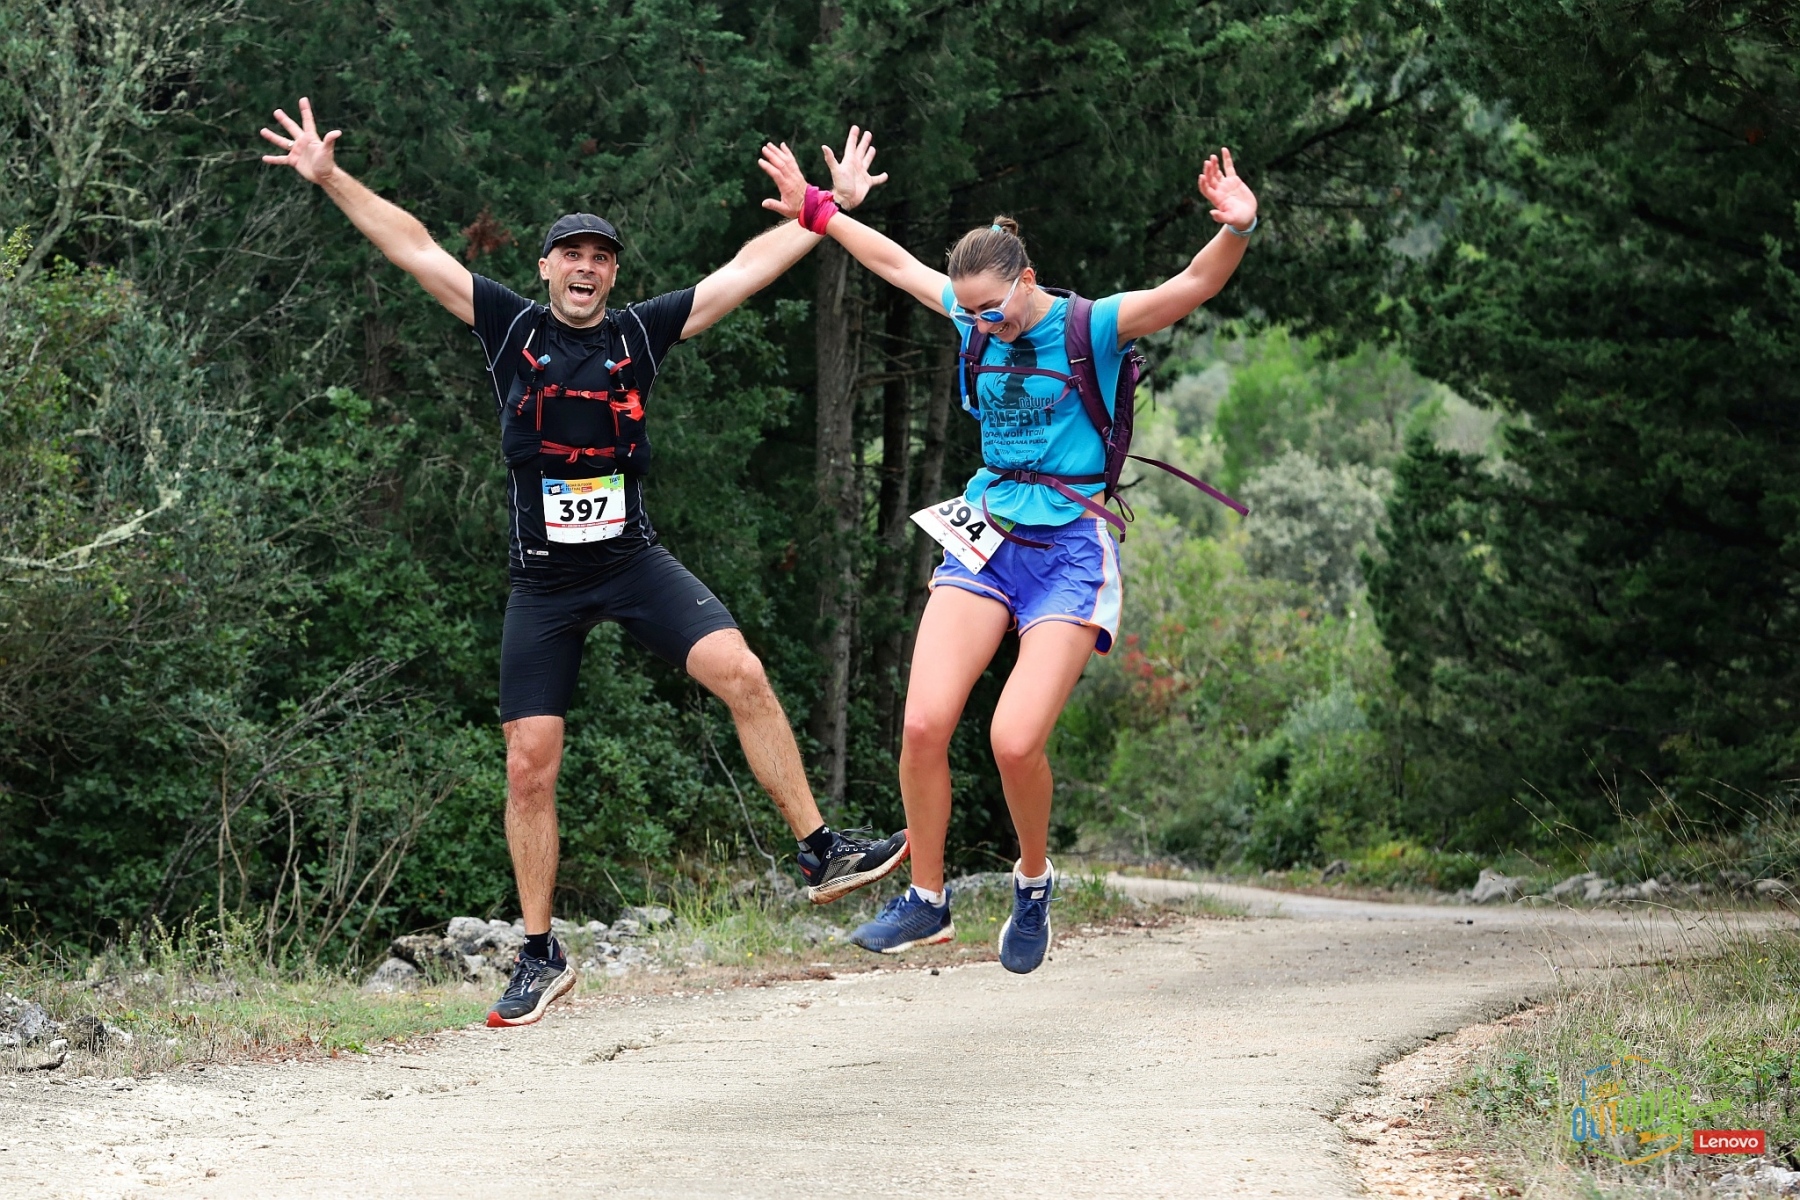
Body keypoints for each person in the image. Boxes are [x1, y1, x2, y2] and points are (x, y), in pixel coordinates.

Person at [261, 99, 910, 1026]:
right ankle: (539, 955)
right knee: (529, 764)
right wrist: (330, 178)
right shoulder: (510, 328)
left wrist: (826, 209)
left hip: (631, 562)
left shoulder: (638, 335)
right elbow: (415, 248)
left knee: (743, 671)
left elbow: (740, 274)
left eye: (601, 257)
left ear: (612, 274)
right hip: (544, 582)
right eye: (571, 254)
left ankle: (820, 850)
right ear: (546, 268)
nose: (586, 267)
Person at [760, 135, 1259, 973]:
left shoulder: (1092, 325)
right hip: (987, 531)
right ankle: (927, 900)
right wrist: (821, 209)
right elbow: (892, 263)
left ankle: (1032, 881)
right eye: (972, 314)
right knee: (923, 725)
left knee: (1014, 740)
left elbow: (1192, 285)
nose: (982, 325)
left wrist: (1235, 227)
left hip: (1069, 547)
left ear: (1026, 281)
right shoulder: (970, 316)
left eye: (993, 311)